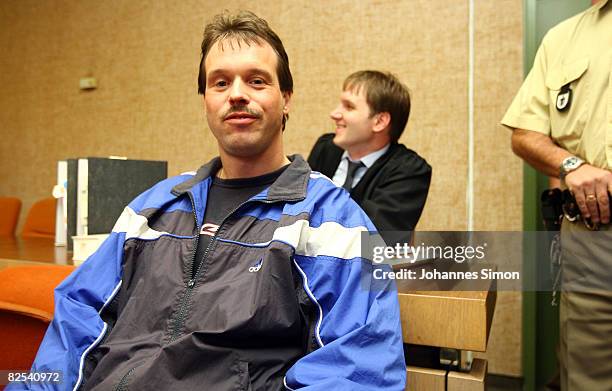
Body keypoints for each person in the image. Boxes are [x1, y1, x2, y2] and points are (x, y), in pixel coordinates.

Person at [9, 11, 406, 391]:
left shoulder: (336, 221)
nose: (236, 95)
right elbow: (78, 319)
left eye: (256, 81)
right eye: (220, 83)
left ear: (286, 98)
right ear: (205, 101)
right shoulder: (150, 209)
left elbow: (357, 368)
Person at [501, 1, 612, 389]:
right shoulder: (563, 38)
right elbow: (525, 133)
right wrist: (572, 167)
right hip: (596, 233)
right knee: (587, 373)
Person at [308, 71, 431, 244]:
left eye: (349, 107)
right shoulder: (326, 149)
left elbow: (373, 240)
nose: (334, 114)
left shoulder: (410, 171)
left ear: (379, 122)